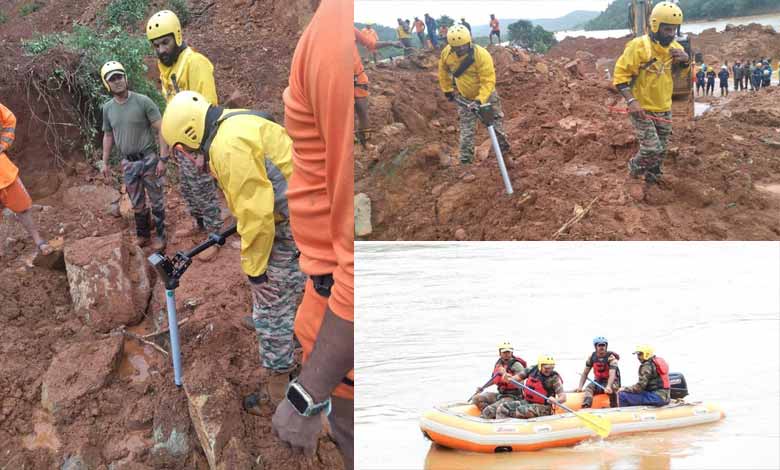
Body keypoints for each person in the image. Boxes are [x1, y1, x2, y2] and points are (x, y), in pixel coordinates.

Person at [161, 91, 307, 411]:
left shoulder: (228, 147)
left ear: (188, 140)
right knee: (298, 285)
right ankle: (298, 328)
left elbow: (257, 216)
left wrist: (256, 272)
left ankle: (278, 390)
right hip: (305, 210)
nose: (186, 159)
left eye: (181, 153)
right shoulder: (233, 120)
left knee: (269, 304)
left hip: (298, 224)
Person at [271, 0, 354, 467]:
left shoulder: (332, 40)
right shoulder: (334, 31)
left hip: (344, 323)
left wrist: (307, 394)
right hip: (326, 291)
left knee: (351, 432)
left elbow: (362, 270)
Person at [146, 10, 223, 259]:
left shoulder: (194, 63)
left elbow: (209, 108)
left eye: (165, 43)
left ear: (177, 36)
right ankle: (198, 223)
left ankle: (215, 235)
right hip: (181, 143)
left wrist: (202, 151)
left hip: (197, 142)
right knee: (188, 188)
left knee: (203, 188)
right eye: (156, 45)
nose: (160, 50)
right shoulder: (166, 68)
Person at [612, 1, 689, 185]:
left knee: (661, 150)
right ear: (655, 25)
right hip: (642, 109)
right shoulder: (638, 46)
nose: (671, 34)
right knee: (651, 149)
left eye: (674, 30)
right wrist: (631, 101)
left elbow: (682, 75)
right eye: (667, 30)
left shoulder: (677, 49)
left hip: (664, 107)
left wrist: (685, 61)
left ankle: (653, 179)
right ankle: (632, 172)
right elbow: (619, 76)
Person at [100, 61, 168, 251]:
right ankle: (143, 235)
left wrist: (163, 158)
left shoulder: (143, 101)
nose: (117, 81)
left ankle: (162, 236)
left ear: (126, 77)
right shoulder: (107, 109)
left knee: (156, 199)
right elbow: (108, 134)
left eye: (119, 76)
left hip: (148, 160)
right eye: (112, 79)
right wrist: (104, 163)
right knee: (136, 201)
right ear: (107, 84)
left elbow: (162, 128)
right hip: (128, 164)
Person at [438, 24, 511, 164]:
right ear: (451, 46)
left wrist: (480, 100)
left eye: (463, 46)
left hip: (487, 97)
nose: (460, 49)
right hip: (465, 99)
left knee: (497, 128)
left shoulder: (481, 55)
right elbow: (443, 71)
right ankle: (466, 163)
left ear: (469, 42)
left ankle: (505, 155)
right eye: (456, 47)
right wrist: (447, 89)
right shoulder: (446, 54)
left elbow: (488, 80)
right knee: (466, 132)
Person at [0, 101, 52, 257]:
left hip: (3, 172)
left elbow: (9, 119)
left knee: (23, 209)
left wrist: (3, 144)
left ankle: (38, 241)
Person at [354, 28, 400, 146]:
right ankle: (351, 145)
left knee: (362, 111)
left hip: (357, 77)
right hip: (338, 79)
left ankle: (366, 142)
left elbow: (371, 44)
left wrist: (391, 43)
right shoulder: (324, 31)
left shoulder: (351, 30)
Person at [495, 355, 566, 419]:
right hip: (528, 402)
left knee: (521, 410)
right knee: (503, 407)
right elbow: (516, 378)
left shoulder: (554, 378)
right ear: (540, 366)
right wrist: (508, 378)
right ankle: (503, 427)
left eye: (551, 368)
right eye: (546, 368)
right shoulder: (531, 369)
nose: (549, 371)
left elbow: (563, 397)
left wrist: (556, 400)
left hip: (544, 407)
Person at [472, 342, 527, 418]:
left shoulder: (517, 365)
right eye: (504, 352)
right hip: (501, 394)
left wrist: (505, 374)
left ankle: (490, 414)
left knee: (489, 410)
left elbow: (521, 384)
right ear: (500, 353)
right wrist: (483, 387)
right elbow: (494, 379)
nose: (506, 354)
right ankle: (490, 414)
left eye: (508, 352)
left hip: (514, 396)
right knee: (476, 398)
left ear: (512, 352)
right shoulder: (499, 364)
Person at [574, 336, 620, 408]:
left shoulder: (611, 358)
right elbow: (585, 373)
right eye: (599, 345)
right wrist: (580, 387)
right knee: (588, 388)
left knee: (612, 389)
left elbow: (612, 374)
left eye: (603, 345)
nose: (602, 347)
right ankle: (586, 406)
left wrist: (608, 386)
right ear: (595, 346)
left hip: (611, 381)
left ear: (606, 346)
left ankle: (614, 407)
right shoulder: (592, 357)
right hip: (598, 382)